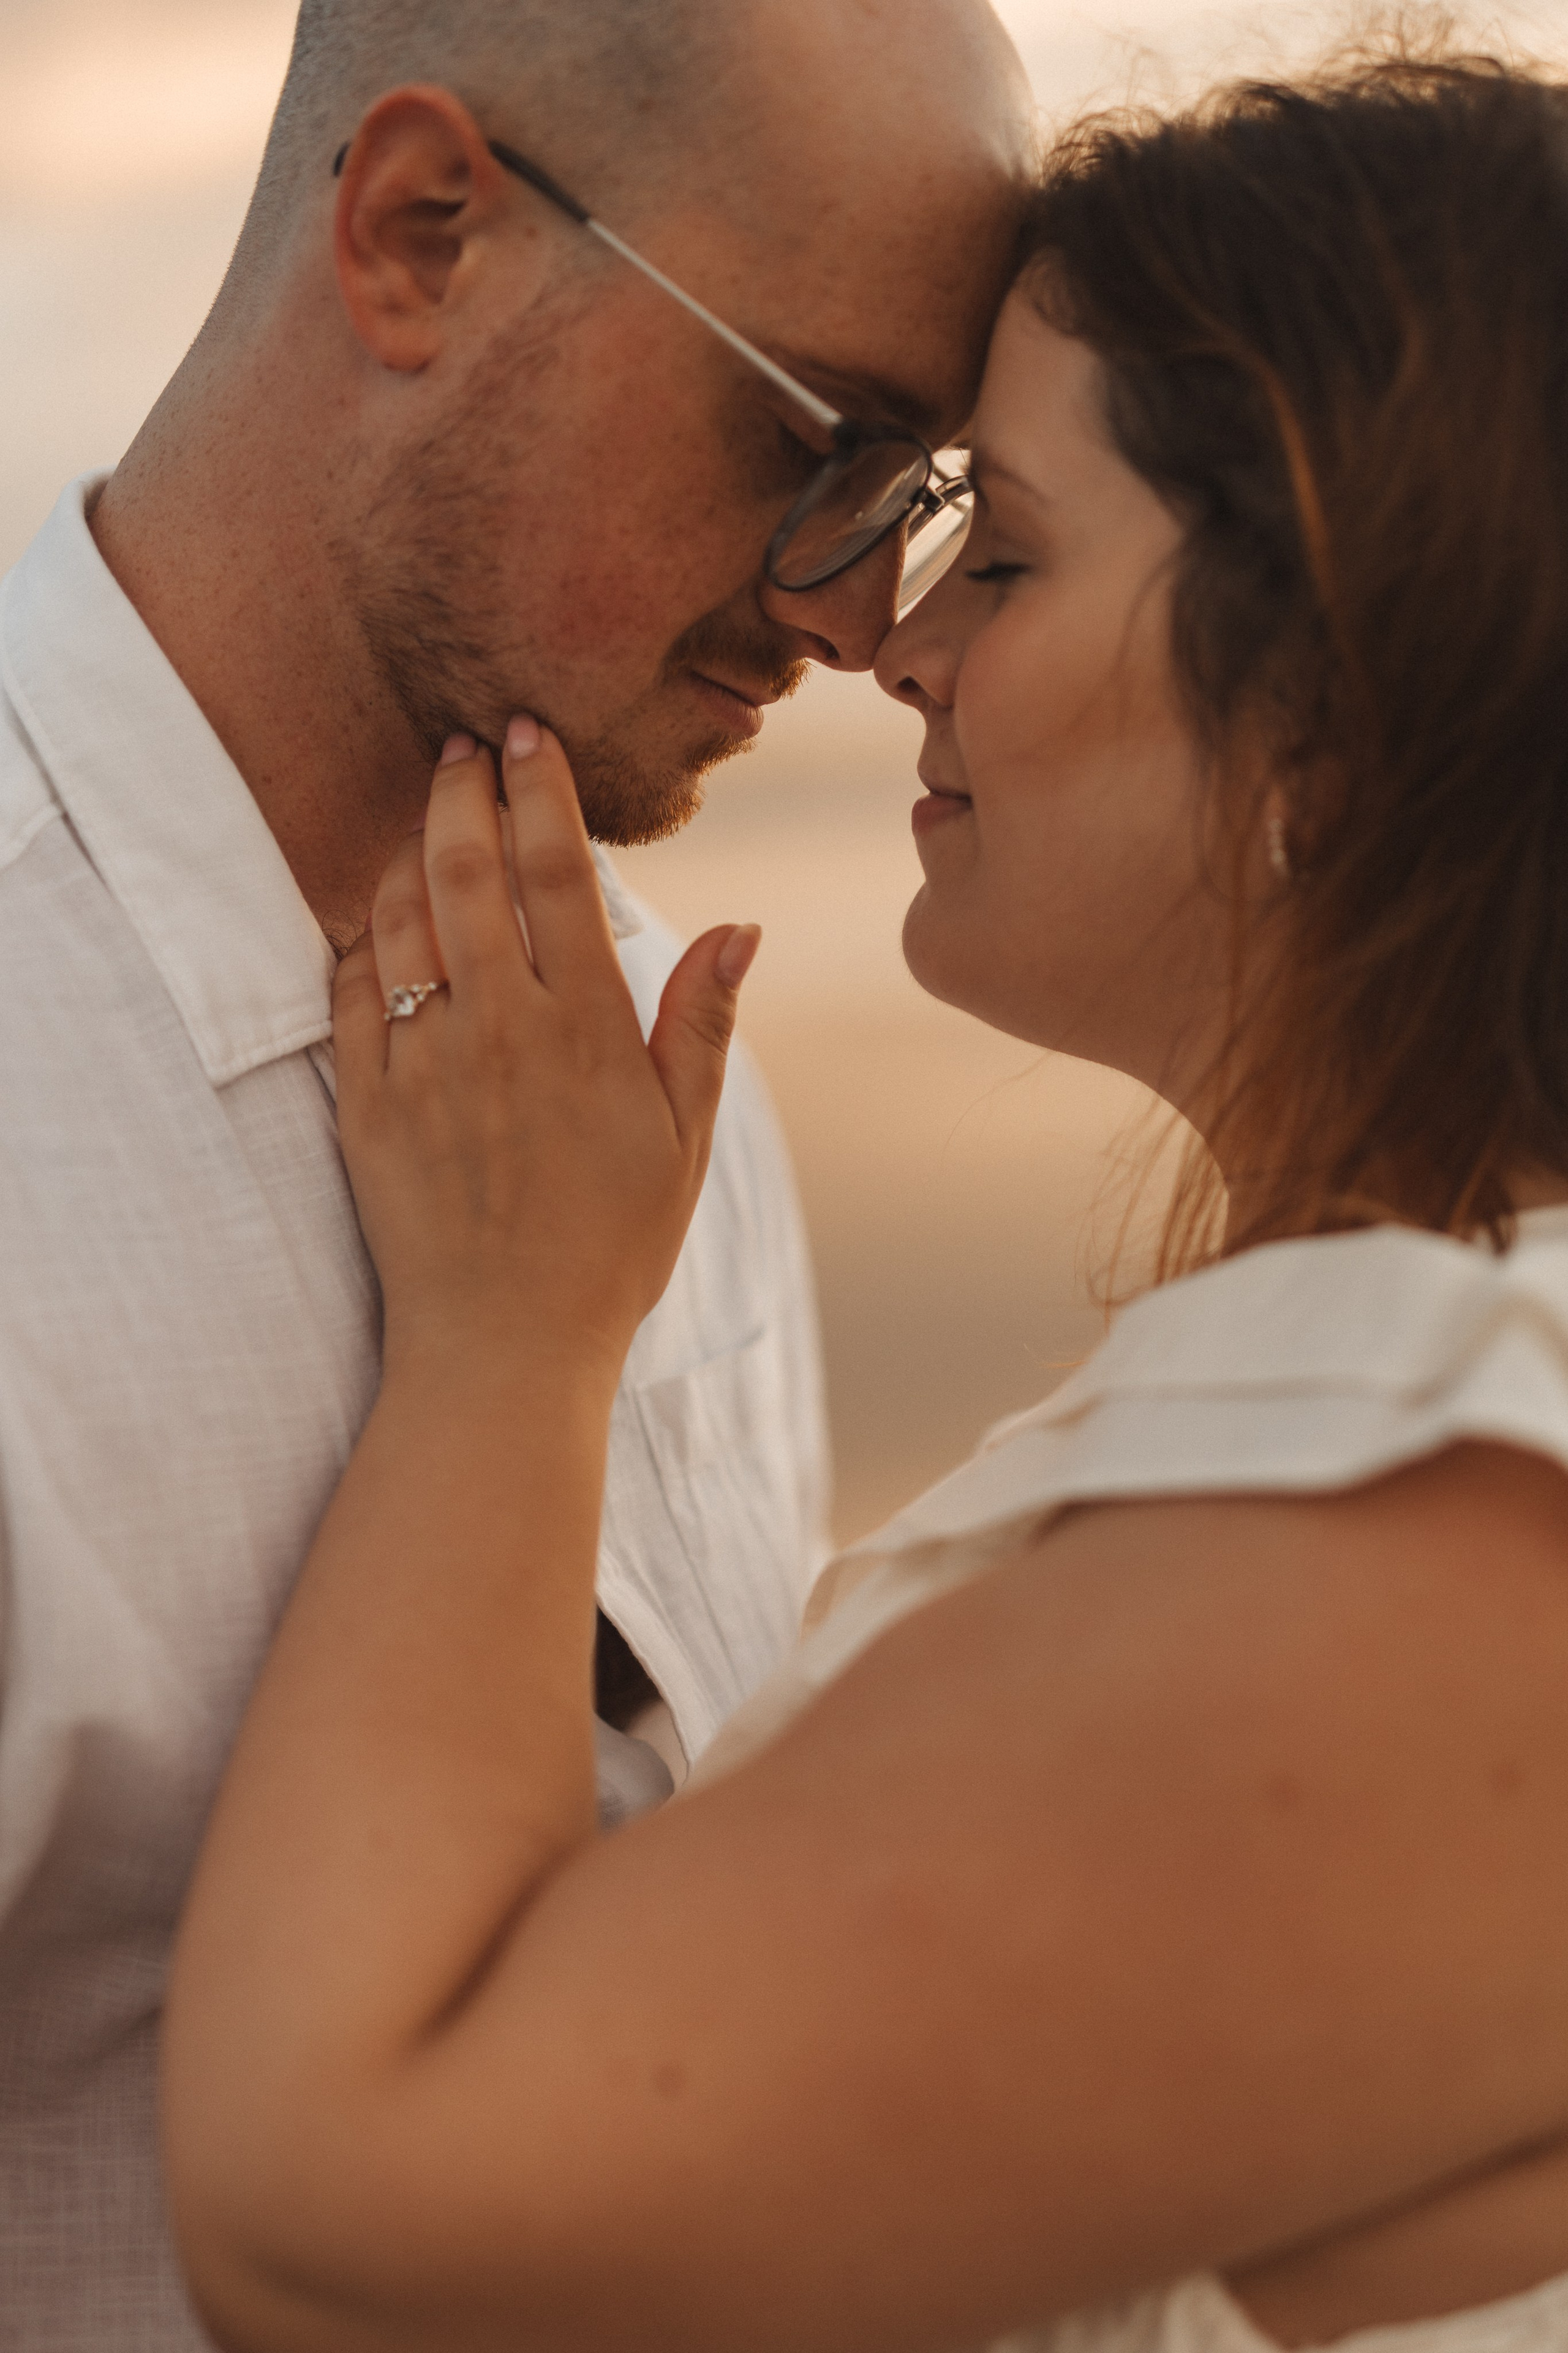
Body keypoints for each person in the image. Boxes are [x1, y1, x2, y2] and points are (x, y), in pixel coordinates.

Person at [160, 40, 1568, 2353]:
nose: (882, 637)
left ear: (1331, 710)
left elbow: (345, 2219)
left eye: (994, 549)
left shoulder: (1458, 1522)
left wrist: (512, 1354)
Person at [0, 1, 1032, 2341]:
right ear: (417, 233)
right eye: (810, 435)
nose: (858, 613)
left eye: (921, 495)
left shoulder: (661, 1060)